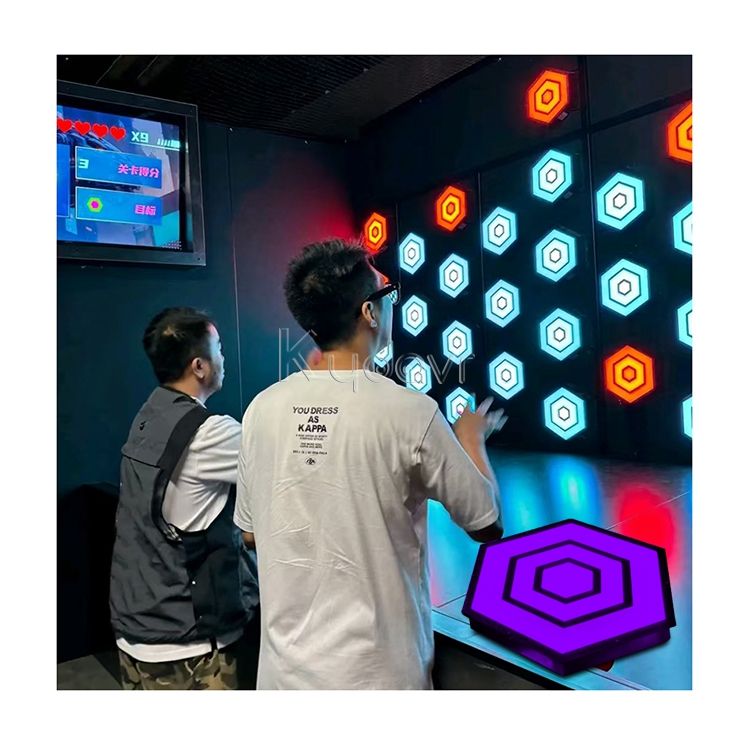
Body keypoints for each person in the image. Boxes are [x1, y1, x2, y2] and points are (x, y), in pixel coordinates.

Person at [234, 239, 506, 690]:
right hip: (378, 680)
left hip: (283, 681)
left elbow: (249, 533)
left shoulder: (262, 408)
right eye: (388, 291)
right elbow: (486, 523)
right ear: (369, 312)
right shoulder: (409, 412)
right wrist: (470, 440)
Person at [110, 307, 259, 690]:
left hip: (137, 630)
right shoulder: (211, 434)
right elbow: (290, 463)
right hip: (189, 646)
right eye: (219, 348)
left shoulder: (149, 415)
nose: (223, 357)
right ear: (199, 366)